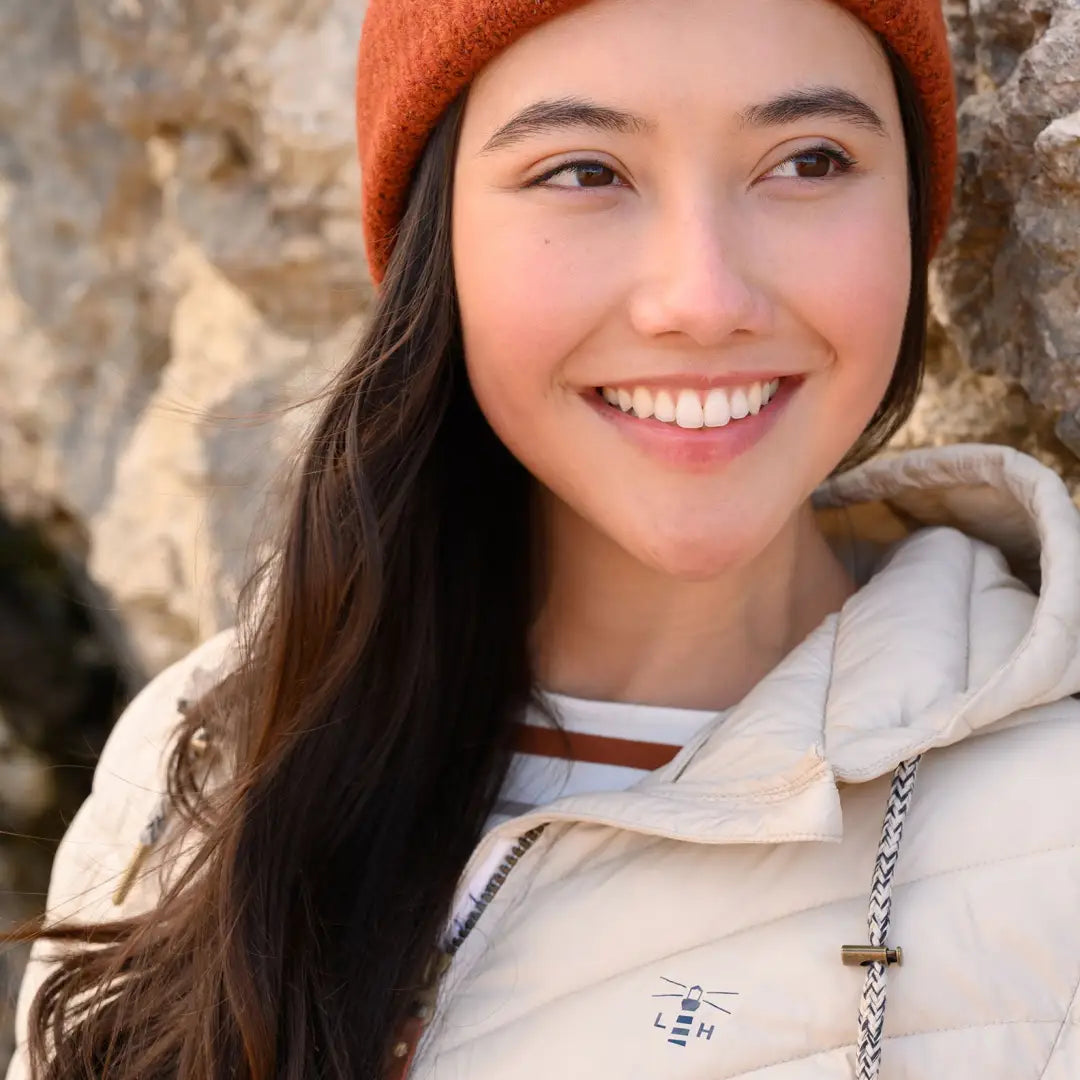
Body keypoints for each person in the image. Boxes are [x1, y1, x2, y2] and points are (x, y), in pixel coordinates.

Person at [6, 0, 1080, 1077]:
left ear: (914, 217)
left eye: (808, 160)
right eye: (584, 171)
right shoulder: (204, 757)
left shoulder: (1052, 850)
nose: (702, 300)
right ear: (439, 241)